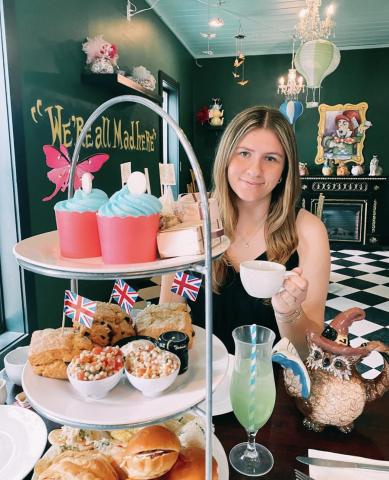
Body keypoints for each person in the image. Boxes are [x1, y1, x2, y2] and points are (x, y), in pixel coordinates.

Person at [160, 106, 330, 357]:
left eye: (271, 158)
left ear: (285, 170)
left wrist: (289, 313)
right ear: (227, 157)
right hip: (201, 383)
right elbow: (167, 318)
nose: (254, 170)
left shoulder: (308, 231)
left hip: (271, 387)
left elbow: (308, 351)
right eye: (244, 153)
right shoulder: (190, 220)